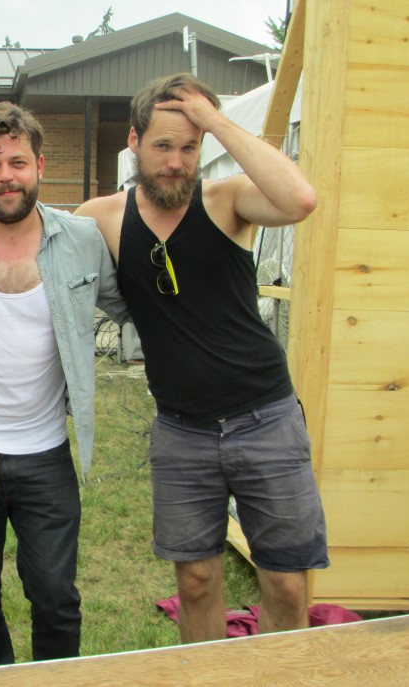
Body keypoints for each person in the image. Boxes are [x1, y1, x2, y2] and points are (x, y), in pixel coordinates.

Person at [75, 72, 328, 643]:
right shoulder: (104, 216)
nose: (175, 163)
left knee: (287, 585)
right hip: (182, 431)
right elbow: (33, 237)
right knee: (195, 582)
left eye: (190, 148)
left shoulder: (228, 198)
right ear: (134, 141)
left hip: (266, 419)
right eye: (163, 146)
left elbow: (301, 199)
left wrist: (214, 120)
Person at [0, 101, 127, 667]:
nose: (5, 176)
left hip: (44, 460)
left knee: (56, 598)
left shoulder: (82, 240)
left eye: (17, 162)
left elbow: (131, 306)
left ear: (40, 164)